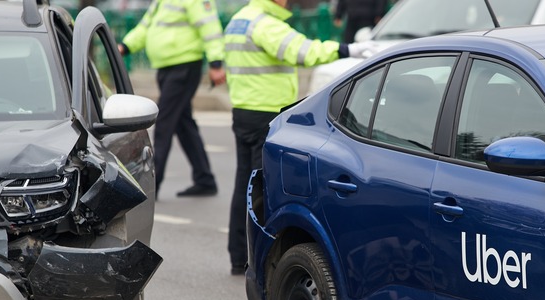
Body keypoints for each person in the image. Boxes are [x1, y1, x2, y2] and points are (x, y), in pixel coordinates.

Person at [224, 0, 376, 275]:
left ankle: (238, 255)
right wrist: (346, 49)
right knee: (265, 188)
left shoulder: (240, 19)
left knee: (244, 184)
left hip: (243, 109)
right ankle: (259, 259)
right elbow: (303, 52)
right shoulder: (266, 25)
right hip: (266, 112)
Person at [119, 0, 226, 198]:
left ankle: (152, 186)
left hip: (184, 67)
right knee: (183, 124)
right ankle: (205, 179)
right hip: (167, 68)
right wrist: (125, 46)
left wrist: (216, 62)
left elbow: (210, 28)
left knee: (165, 123)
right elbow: (145, 28)